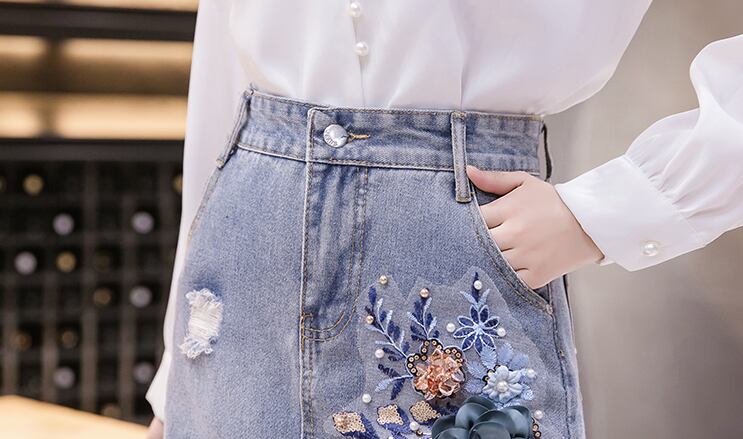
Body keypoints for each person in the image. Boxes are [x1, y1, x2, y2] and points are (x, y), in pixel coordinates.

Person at [146, 1, 743, 438]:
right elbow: (226, 60)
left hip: (453, 229)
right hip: (250, 238)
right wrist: (178, 372)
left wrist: (614, 209)